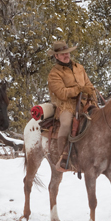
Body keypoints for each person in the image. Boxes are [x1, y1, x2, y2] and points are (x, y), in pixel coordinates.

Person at [47, 41, 97, 172]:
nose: (66, 55)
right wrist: (79, 88)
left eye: (67, 52)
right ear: (56, 57)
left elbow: (89, 85)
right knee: (66, 123)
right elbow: (62, 93)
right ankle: (63, 157)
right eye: (62, 54)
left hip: (84, 103)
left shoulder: (79, 67)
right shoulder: (54, 74)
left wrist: (93, 97)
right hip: (66, 106)